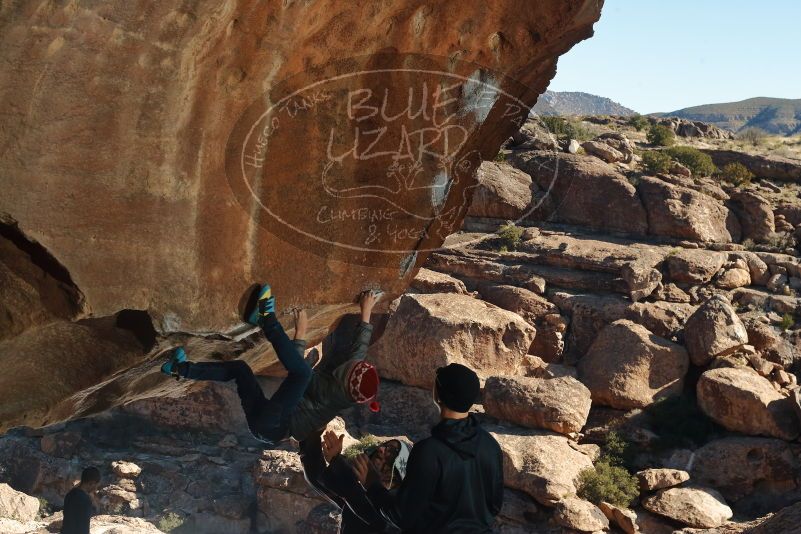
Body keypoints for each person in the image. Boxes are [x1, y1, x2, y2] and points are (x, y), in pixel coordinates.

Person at [161, 284, 381, 444]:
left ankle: (266, 317)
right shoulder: (352, 382)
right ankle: (179, 368)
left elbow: (297, 373)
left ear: (345, 380)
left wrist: (301, 333)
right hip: (264, 428)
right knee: (240, 370)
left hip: (277, 425)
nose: (351, 364)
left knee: (302, 375)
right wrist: (366, 311)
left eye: (351, 368)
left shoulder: (331, 392)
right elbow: (358, 350)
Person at [352, 363, 504, 533]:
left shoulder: (428, 452)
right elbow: (495, 505)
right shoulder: (491, 446)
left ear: (438, 395)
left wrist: (371, 483)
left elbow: (400, 516)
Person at [300, 429, 410, 533]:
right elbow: (317, 478)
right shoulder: (358, 494)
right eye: (384, 445)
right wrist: (311, 437)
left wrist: (338, 463)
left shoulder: (398, 512)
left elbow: (370, 513)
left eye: (391, 450)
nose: (381, 448)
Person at [61, 466, 100, 534]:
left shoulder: (70, 494)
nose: (96, 487)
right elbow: (83, 526)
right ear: (92, 482)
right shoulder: (85, 499)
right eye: (96, 484)